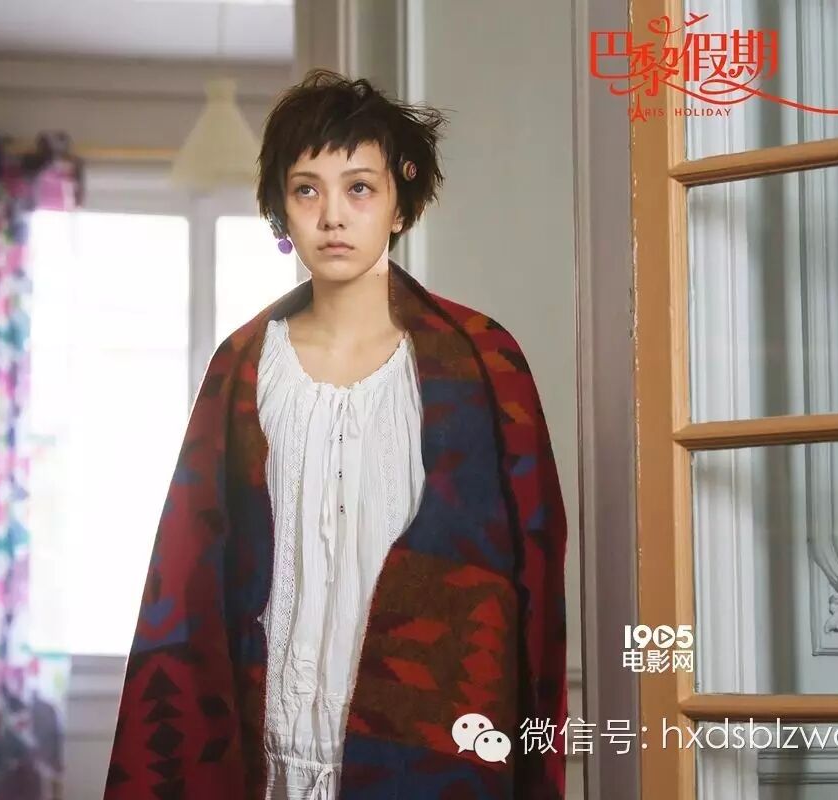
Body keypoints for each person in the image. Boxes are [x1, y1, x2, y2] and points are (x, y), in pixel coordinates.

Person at [104, 69, 567, 800]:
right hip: (268, 750)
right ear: (281, 210)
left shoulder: (484, 364)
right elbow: (189, 568)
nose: (332, 217)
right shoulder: (243, 369)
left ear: (400, 206)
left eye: (359, 188)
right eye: (306, 190)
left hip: (431, 745)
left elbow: (529, 581)